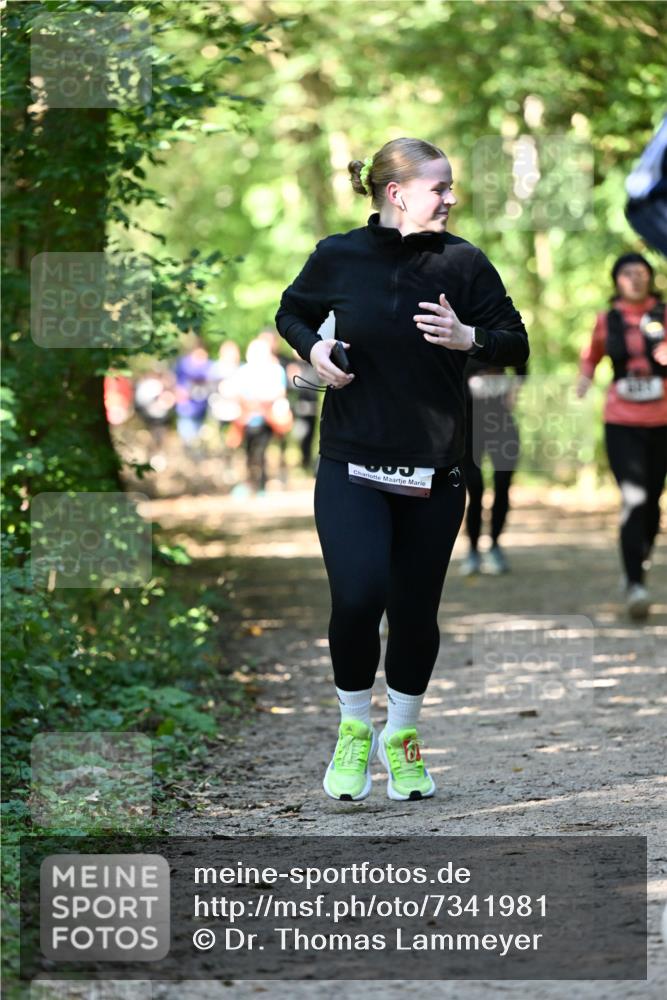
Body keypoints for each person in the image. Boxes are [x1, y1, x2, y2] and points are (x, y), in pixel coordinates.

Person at [275, 137, 529, 802]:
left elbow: (515, 339)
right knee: (358, 598)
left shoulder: (463, 262)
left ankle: (403, 737)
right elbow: (291, 311)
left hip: (435, 472)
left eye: (450, 188)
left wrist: (470, 338)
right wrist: (316, 346)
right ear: (396, 194)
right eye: (439, 188)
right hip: (351, 464)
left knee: (414, 612)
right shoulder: (338, 256)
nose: (451, 198)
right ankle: (355, 729)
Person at [577, 252, 667, 620]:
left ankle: (638, 563)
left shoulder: (664, 314)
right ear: (616, 280)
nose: (635, 278)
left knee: (653, 503)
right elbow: (591, 355)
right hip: (621, 419)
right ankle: (634, 585)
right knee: (633, 498)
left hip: (662, 419)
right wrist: (584, 378)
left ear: (650, 278)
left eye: (641, 273)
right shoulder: (606, 319)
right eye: (627, 273)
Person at [459, 356, 527, 576]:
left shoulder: (502, 330)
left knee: (502, 484)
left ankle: (495, 546)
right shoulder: (457, 330)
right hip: (468, 427)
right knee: (476, 489)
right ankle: (473, 552)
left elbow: (522, 363)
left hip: (502, 424)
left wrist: (514, 389)